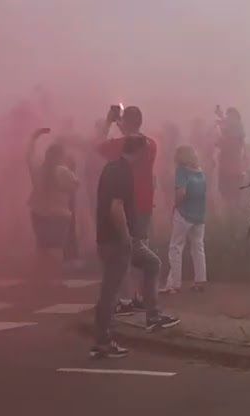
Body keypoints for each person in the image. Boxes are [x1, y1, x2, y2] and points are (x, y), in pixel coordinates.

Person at [91, 136, 178, 359]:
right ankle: (103, 340)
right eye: (146, 152)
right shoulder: (122, 172)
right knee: (110, 291)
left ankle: (153, 315)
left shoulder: (112, 168)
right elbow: (115, 207)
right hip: (117, 240)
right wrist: (126, 237)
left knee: (151, 264)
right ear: (139, 151)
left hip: (113, 238)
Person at [94, 106, 157, 313]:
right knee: (142, 250)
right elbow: (133, 142)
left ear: (125, 122)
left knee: (125, 250)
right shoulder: (150, 144)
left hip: (126, 202)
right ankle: (140, 295)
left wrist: (108, 122)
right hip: (146, 203)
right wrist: (124, 127)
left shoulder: (119, 145)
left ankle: (126, 299)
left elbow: (98, 145)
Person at [26, 127, 80, 284]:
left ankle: (42, 277)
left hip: (38, 212)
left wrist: (34, 137)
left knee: (42, 247)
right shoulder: (63, 171)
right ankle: (54, 279)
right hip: (59, 213)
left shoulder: (38, 169)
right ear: (60, 156)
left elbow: (28, 157)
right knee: (56, 248)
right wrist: (65, 190)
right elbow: (76, 185)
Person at [161, 145, 207, 294]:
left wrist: (175, 206)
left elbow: (181, 192)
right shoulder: (200, 172)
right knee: (197, 247)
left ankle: (174, 284)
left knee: (176, 247)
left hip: (184, 213)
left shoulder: (182, 171)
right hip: (199, 215)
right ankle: (200, 280)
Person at [215, 108, 245, 204]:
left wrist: (219, 127)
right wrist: (221, 116)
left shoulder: (229, 140)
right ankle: (235, 215)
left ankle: (231, 216)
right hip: (236, 171)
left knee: (228, 196)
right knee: (235, 196)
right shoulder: (238, 137)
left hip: (227, 171)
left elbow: (217, 142)